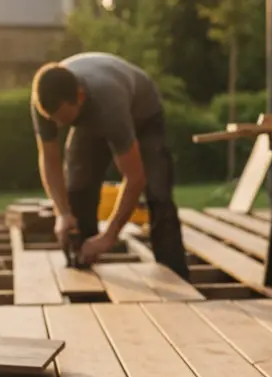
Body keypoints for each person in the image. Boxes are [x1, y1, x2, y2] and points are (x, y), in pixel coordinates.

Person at [30, 52, 190, 279]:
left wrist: (110, 235)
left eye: (63, 120)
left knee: (158, 191)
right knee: (77, 187)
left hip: (143, 115)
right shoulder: (43, 100)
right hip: (92, 111)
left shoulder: (109, 106)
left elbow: (135, 178)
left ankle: (175, 275)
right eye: (53, 120)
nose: (57, 126)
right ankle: (82, 266)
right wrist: (62, 213)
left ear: (80, 96)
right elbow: (49, 160)